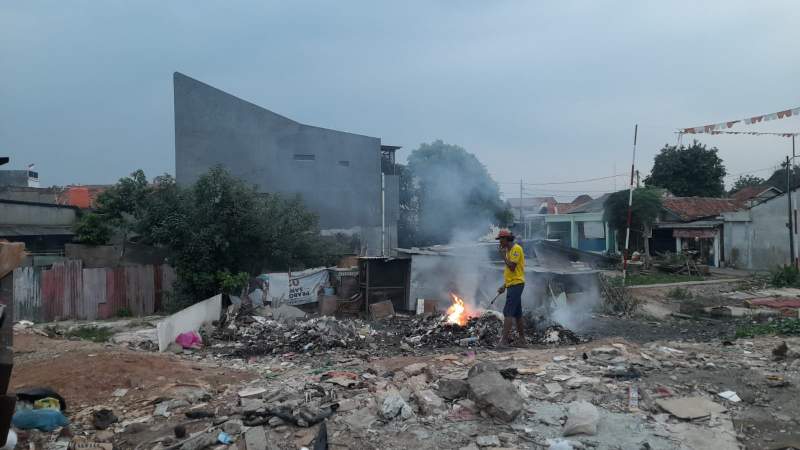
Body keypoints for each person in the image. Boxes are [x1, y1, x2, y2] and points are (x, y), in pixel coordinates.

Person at [496, 229, 525, 347]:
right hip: (512, 284)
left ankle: (503, 341)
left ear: (506, 239)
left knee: (508, 312)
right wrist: (504, 286)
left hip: (517, 285)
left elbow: (512, 267)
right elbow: (511, 273)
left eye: (500, 239)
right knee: (517, 313)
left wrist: (503, 256)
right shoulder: (509, 251)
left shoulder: (516, 249)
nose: (499, 242)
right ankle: (522, 340)